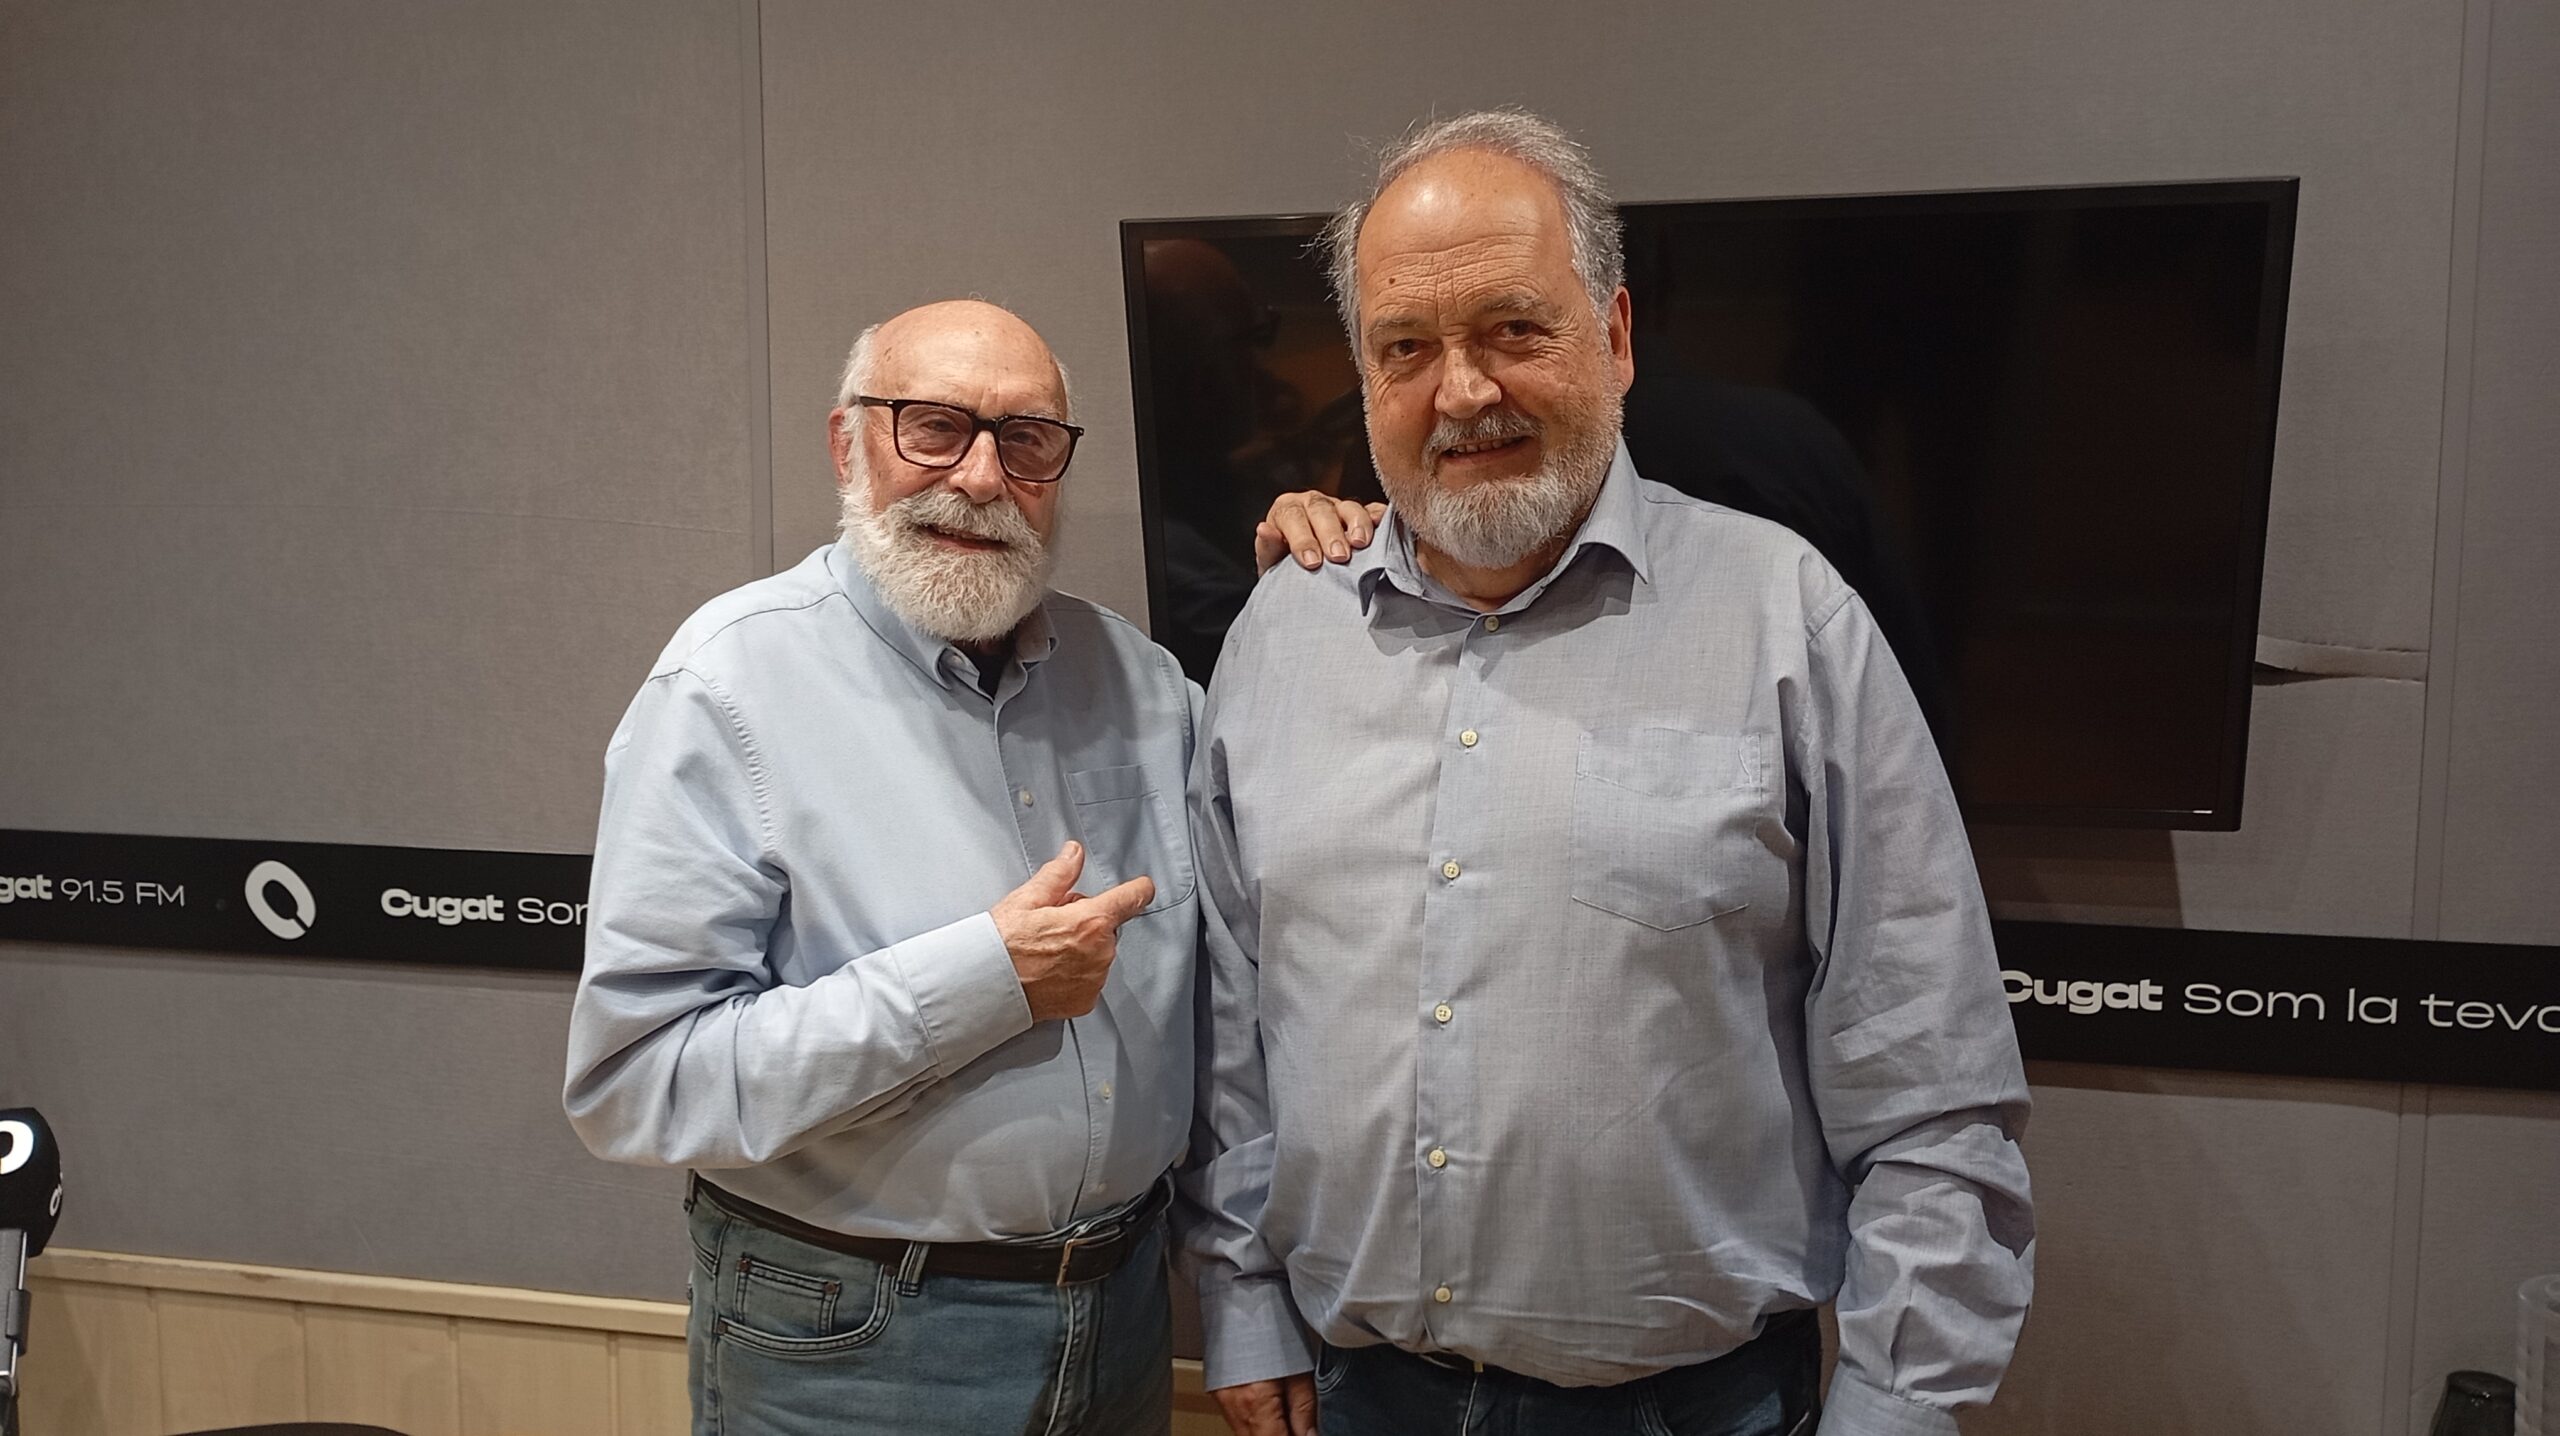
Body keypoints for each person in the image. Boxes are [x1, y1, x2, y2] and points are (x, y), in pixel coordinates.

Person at [1184, 111, 2034, 1436]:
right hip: (1358, 1399)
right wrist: (1239, 1295)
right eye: (1407, 349)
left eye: (1514, 330)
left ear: (1617, 338)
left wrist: (1893, 1412)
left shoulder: (1786, 622)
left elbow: (1930, 1087)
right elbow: (1233, 1024)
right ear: (1363, 380)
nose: (1460, 392)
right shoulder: (1282, 638)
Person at [564, 299, 1196, 1436]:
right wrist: (986, 980)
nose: (983, 475)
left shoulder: (1143, 685)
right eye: (933, 427)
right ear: (847, 442)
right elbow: (641, 1083)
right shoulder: (728, 688)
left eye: (1027, 438)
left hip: (1126, 1318)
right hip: (856, 1340)